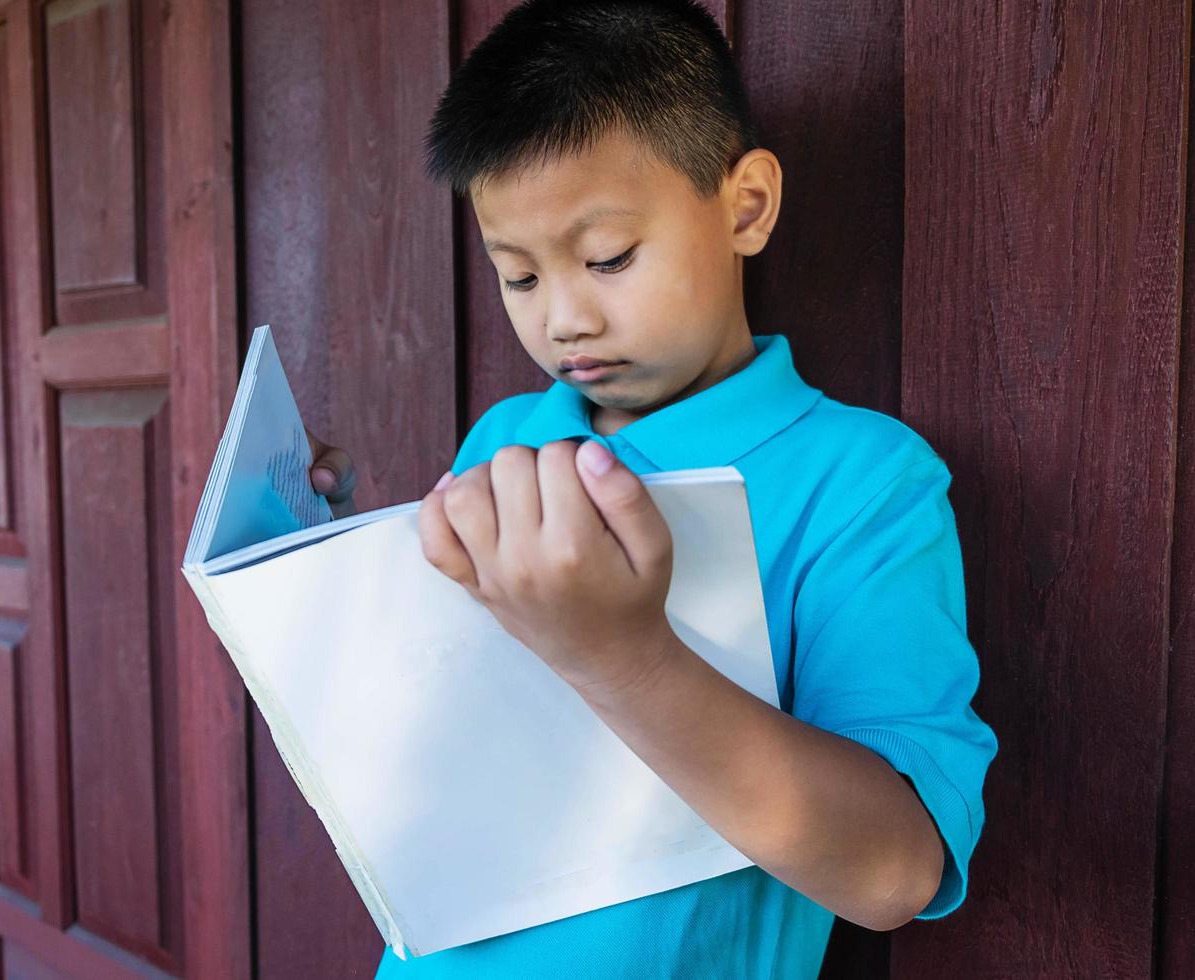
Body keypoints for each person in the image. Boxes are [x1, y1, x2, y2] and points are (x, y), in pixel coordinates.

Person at [307, 0, 997, 975]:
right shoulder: (507, 439)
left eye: (607, 259)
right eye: (517, 276)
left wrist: (623, 656)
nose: (563, 319)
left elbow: (896, 872)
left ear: (746, 206)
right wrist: (321, 555)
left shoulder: (862, 482)